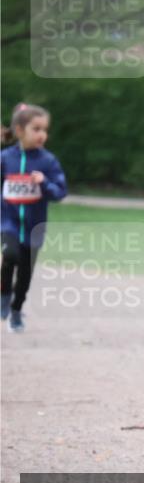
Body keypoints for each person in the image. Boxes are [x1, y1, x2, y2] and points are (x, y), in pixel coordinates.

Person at [1, 104, 68, 333]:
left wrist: (44, 183)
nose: (42, 134)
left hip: (33, 228)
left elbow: (60, 192)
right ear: (20, 131)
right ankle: (4, 295)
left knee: (25, 273)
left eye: (44, 129)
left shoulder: (48, 162)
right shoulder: (5, 158)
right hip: (7, 222)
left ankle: (17, 309)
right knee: (9, 255)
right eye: (36, 128)